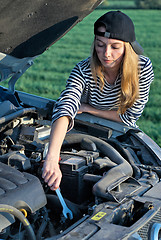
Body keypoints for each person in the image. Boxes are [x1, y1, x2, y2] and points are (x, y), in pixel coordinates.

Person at [42, 11, 154, 190]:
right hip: (80, 129)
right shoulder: (83, 70)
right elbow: (65, 107)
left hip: (118, 132)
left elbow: (128, 118)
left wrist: (88, 108)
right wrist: (52, 158)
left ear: (128, 47)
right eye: (100, 45)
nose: (106, 54)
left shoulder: (142, 68)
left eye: (115, 47)